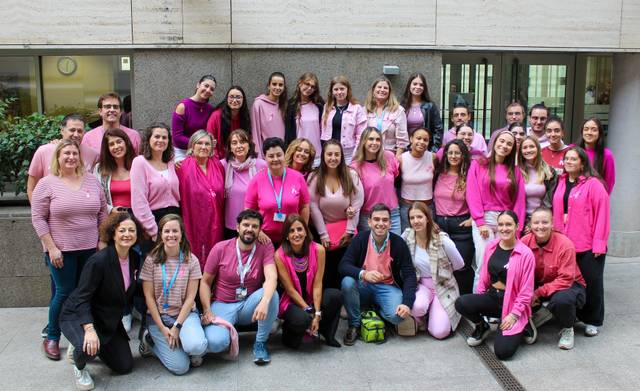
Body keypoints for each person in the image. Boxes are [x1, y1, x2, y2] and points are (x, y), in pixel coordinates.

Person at [31, 140, 108, 360]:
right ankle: (53, 336)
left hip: (90, 250)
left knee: (87, 292)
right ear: (58, 157)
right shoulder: (47, 184)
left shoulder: (92, 181)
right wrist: (51, 247)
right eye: (66, 153)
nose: (71, 157)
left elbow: (102, 212)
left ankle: (86, 333)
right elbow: (38, 218)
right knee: (64, 293)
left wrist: (102, 240)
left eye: (75, 153)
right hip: (61, 251)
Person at [59, 212, 142, 390]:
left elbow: (134, 289)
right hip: (79, 314)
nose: (127, 234)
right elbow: (82, 298)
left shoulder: (134, 258)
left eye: (131, 230)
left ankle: (91, 345)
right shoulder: (99, 261)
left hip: (106, 318)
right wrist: (89, 329)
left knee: (124, 366)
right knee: (86, 346)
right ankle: (79, 365)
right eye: (122, 230)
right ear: (113, 233)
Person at [200, 209, 279, 365]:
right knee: (216, 343)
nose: (250, 229)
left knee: (271, 294)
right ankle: (226, 331)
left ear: (259, 230)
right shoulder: (220, 248)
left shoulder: (265, 247)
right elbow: (205, 282)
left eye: (255, 226)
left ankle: (260, 342)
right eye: (246, 225)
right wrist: (207, 309)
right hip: (223, 303)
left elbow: (271, 277)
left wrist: (264, 302)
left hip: (249, 304)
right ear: (237, 228)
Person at [455, 211, 536, 360]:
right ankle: (482, 326)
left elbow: (526, 292)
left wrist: (513, 315)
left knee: (502, 352)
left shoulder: (525, 254)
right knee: (462, 303)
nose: (504, 228)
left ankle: (524, 323)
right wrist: (479, 299)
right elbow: (484, 276)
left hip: (512, 304)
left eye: (508, 224)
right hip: (493, 297)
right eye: (501, 224)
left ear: (517, 226)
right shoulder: (491, 246)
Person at [339, 203, 417, 345]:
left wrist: (407, 304)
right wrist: (364, 274)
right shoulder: (360, 239)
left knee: (397, 317)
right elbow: (343, 265)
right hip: (364, 285)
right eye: (376, 219)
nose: (380, 223)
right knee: (347, 282)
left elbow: (410, 275)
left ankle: (377, 311)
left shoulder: (399, 243)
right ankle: (354, 325)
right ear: (369, 222)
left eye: (385, 220)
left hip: (387, 287)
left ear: (390, 223)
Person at [552, 147, 610, 337]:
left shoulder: (593, 184)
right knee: (569, 284)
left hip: (588, 244)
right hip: (565, 244)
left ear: (582, 163)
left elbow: (603, 214)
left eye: (573, 159)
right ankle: (572, 316)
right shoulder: (560, 182)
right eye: (566, 158)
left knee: (592, 283)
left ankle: (592, 320)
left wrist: (599, 243)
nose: (568, 162)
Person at [139, 214, 207, 375]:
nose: (171, 235)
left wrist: (177, 327)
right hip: (159, 319)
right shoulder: (151, 261)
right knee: (181, 367)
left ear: (181, 234)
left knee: (197, 346)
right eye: (166, 231)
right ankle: (151, 341)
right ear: (161, 234)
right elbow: (149, 298)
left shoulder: (191, 260)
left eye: (175, 231)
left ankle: (186, 343)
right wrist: (163, 329)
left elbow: (191, 298)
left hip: (184, 315)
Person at [521, 207, 586, 350]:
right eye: (536, 223)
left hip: (569, 284)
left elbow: (566, 279)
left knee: (561, 300)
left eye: (545, 222)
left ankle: (568, 328)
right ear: (530, 225)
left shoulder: (565, 244)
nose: (540, 226)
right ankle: (539, 314)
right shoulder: (524, 242)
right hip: (541, 282)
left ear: (552, 224)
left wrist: (537, 293)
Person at [467, 130, 526, 287]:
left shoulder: (515, 171)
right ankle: (478, 306)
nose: (504, 145)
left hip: (505, 221)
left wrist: (516, 230)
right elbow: (472, 193)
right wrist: (480, 222)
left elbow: (519, 202)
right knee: (483, 265)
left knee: (502, 266)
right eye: (501, 141)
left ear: (513, 148)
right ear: (494, 142)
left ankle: (498, 307)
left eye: (509, 144)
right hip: (484, 219)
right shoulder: (478, 164)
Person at [274, 215, 342, 348]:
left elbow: (318, 284)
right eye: (291, 231)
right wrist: (308, 311)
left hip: (312, 297)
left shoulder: (319, 250)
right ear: (286, 236)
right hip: (292, 301)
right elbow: (290, 290)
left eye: (299, 229)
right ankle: (289, 333)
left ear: (306, 232)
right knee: (302, 321)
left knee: (335, 295)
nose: (296, 234)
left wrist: (316, 313)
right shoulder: (279, 255)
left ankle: (326, 331)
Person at [401, 202, 463, 339]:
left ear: (427, 218)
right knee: (417, 306)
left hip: (443, 286)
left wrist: (444, 271)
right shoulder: (407, 236)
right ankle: (421, 317)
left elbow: (459, 264)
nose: (416, 221)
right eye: (412, 218)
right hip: (421, 284)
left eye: (419, 217)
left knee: (440, 332)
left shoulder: (442, 240)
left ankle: (434, 315)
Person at [308, 140, 364, 289]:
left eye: (337, 154)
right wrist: (323, 234)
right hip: (323, 234)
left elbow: (357, 203)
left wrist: (350, 230)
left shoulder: (351, 174)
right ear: (323, 156)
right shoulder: (315, 177)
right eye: (329, 154)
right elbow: (313, 205)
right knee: (326, 271)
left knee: (345, 270)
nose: (333, 158)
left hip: (346, 233)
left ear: (341, 156)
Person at [245, 137, 310, 246]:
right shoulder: (257, 180)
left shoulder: (297, 177)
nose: (275, 159)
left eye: (279, 155)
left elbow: (304, 207)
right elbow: (248, 211)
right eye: (271, 156)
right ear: (264, 157)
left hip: (293, 238)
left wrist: (302, 230)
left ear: (285, 155)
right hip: (264, 239)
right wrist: (258, 232)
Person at [176, 131, 225, 267]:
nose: (203, 147)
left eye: (207, 144)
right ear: (192, 145)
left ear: (211, 148)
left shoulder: (218, 165)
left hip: (215, 221)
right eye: (199, 143)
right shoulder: (183, 167)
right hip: (193, 220)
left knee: (214, 258)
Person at [433, 139, 475, 295]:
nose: (453, 156)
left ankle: (464, 302)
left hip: (461, 226)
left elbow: (478, 197)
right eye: (450, 152)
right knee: (441, 266)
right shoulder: (438, 173)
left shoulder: (469, 174)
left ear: (464, 155)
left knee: (461, 266)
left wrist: (473, 219)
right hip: (439, 224)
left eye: (457, 152)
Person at [27, 114, 99, 202]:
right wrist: (38, 213)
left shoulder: (93, 155)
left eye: (80, 131)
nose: (76, 134)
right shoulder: (44, 151)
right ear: (62, 131)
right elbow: (31, 188)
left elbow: (97, 187)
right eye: (72, 130)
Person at [131, 123, 180, 244]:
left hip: (174, 220)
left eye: (164, 137)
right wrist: (153, 231)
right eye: (157, 137)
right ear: (148, 140)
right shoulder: (140, 162)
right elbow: (139, 201)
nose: (161, 140)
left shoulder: (171, 163)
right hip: (153, 221)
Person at [350, 127, 401, 235]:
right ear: (364, 141)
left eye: (378, 140)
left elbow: (396, 181)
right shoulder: (355, 167)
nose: (374, 143)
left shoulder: (389, 157)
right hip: (369, 216)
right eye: (371, 139)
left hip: (392, 214)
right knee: (371, 251)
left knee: (394, 249)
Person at [221, 129, 268, 239]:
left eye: (243, 142)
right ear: (230, 148)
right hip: (231, 224)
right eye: (234, 143)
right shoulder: (223, 165)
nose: (239, 146)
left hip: (253, 224)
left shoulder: (261, 165)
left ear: (249, 145)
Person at [320, 75, 367, 164]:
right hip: (329, 152)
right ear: (332, 91)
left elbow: (361, 134)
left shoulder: (357, 108)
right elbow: (322, 129)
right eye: (336, 89)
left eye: (342, 89)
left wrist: (356, 152)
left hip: (348, 153)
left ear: (347, 90)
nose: (339, 92)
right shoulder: (327, 107)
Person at [171, 75, 217, 161]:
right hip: (182, 152)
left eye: (212, 89)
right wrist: (199, 143)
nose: (208, 90)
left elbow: (209, 132)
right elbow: (177, 138)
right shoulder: (183, 107)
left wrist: (211, 141)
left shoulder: (210, 109)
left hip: (202, 151)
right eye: (206, 86)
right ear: (198, 85)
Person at [399, 127, 435, 232]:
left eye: (425, 140)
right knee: (408, 240)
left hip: (428, 207)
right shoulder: (401, 159)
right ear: (411, 139)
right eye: (418, 138)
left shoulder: (433, 157)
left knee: (428, 240)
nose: (421, 142)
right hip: (407, 207)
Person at [517, 135, 556, 232]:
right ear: (521, 151)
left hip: (542, 221)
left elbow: (550, 200)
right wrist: (526, 223)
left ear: (538, 149)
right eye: (525, 147)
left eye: (532, 146)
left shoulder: (549, 172)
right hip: (522, 220)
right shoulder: (516, 172)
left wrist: (535, 222)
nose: (528, 150)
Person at [285, 72, 324, 167]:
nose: (309, 88)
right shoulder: (290, 105)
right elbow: (288, 132)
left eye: (313, 86)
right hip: (298, 155)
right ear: (300, 83)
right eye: (307, 84)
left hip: (317, 156)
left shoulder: (319, 105)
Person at [363, 76, 409, 157]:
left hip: (390, 155)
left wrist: (396, 160)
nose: (382, 90)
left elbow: (402, 140)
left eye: (385, 88)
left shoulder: (398, 111)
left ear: (389, 92)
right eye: (379, 87)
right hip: (369, 155)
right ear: (373, 90)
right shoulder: (365, 110)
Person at [94, 128, 136, 214]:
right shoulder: (99, 169)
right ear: (107, 149)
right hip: (112, 218)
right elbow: (96, 196)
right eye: (111, 144)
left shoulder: (138, 164)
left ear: (126, 142)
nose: (116, 146)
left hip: (137, 218)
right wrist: (110, 210)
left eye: (119, 142)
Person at [400, 72, 444, 150]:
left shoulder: (430, 106)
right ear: (409, 85)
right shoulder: (401, 107)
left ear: (424, 88)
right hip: (406, 151)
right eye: (415, 84)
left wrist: (434, 150)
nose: (418, 87)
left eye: (421, 85)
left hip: (425, 150)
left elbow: (438, 130)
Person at [207, 85, 251, 159]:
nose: (234, 100)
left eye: (238, 97)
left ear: (243, 100)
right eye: (231, 97)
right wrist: (217, 160)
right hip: (220, 159)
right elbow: (210, 139)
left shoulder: (245, 117)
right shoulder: (216, 116)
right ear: (226, 99)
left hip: (241, 158)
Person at [252, 72, 287, 158]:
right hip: (266, 155)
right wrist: (259, 156)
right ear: (269, 86)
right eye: (274, 84)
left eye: (280, 85)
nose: (277, 87)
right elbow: (255, 132)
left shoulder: (285, 105)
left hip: (282, 154)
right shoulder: (258, 104)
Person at [578, 117, 615, 194]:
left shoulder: (606, 154)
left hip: (594, 199)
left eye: (594, 130)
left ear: (600, 133)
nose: (589, 132)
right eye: (586, 129)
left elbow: (609, 182)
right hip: (572, 199)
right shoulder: (573, 150)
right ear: (582, 132)